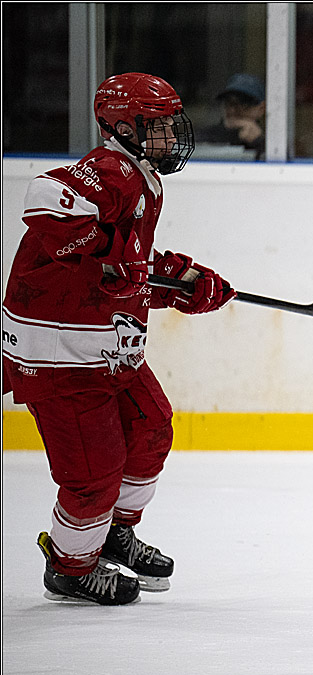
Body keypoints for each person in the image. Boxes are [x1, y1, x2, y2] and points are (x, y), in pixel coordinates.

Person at [1, 72, 236, 606]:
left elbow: (120, 272)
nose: (172, 137)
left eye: (174, 125)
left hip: (107, 348)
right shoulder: (109, 169)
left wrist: (182, 282)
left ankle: (112, 534)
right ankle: (71, 566)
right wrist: (106, 247)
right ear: (123, 127)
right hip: (61, 356)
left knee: (151, 428)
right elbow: (45, 201)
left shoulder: (143, 178)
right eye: (159, 127)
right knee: (94, 474)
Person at [197, 73, 266, 160]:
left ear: (261, 108)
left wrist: (258, 141)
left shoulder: (272, 144)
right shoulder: (208, 136)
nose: (233, 110)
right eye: (229, 103)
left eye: (243, 104)